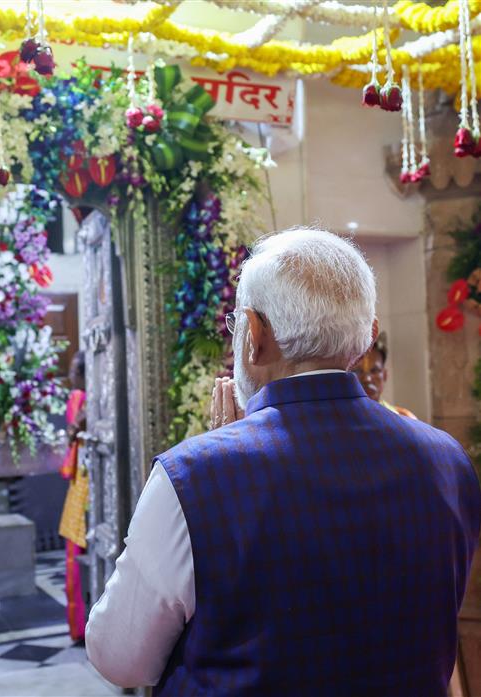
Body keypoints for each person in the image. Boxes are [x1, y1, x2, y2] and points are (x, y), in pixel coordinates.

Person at [85, 228, 481, 695]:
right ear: (367, 338)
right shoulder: (447, 460)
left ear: (253, 334)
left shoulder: (193, 477)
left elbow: (121, 660)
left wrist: (219, 461)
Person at [58, 351, 88, 642]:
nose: (70, 378)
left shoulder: (78, 398)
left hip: (82, 485)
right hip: (84, 484)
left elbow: (70, 447)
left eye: (74, 372)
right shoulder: (84, 402)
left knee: (75, 557)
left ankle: (80, 627)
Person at [352, 331, 417, 419]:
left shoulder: (404, 418)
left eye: (374, 370)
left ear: (385, 375)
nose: (367, 379)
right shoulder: (337, 420)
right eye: (358, 371)